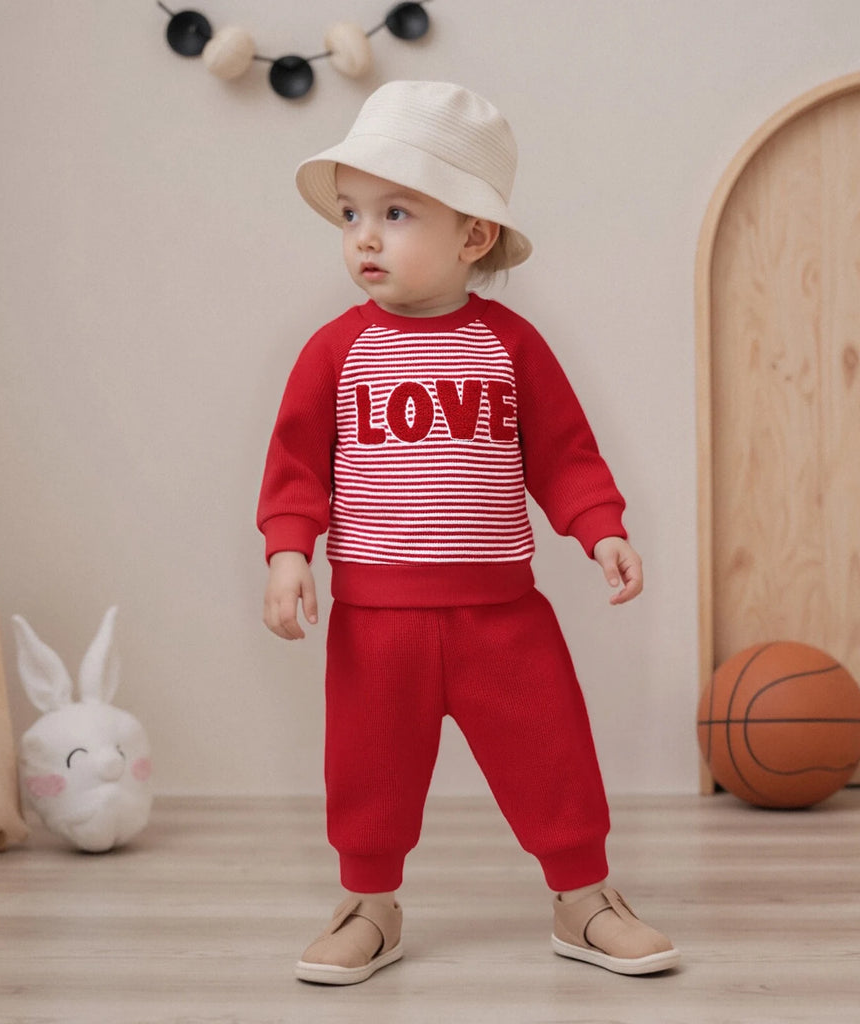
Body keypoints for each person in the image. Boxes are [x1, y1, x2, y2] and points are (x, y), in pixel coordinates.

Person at [258, 80, 679, 986]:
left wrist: (599, 527)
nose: (363, 236)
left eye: (396, 211)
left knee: (553, 753)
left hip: (503, 616)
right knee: (368, 771)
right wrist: (289, 552)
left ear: (472, 236)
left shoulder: (509, 344)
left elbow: (563, 453)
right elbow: (296, 469)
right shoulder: (336, 352)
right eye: (351, 214)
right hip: (377, 621)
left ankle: (584, 897)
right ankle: (369, 905)